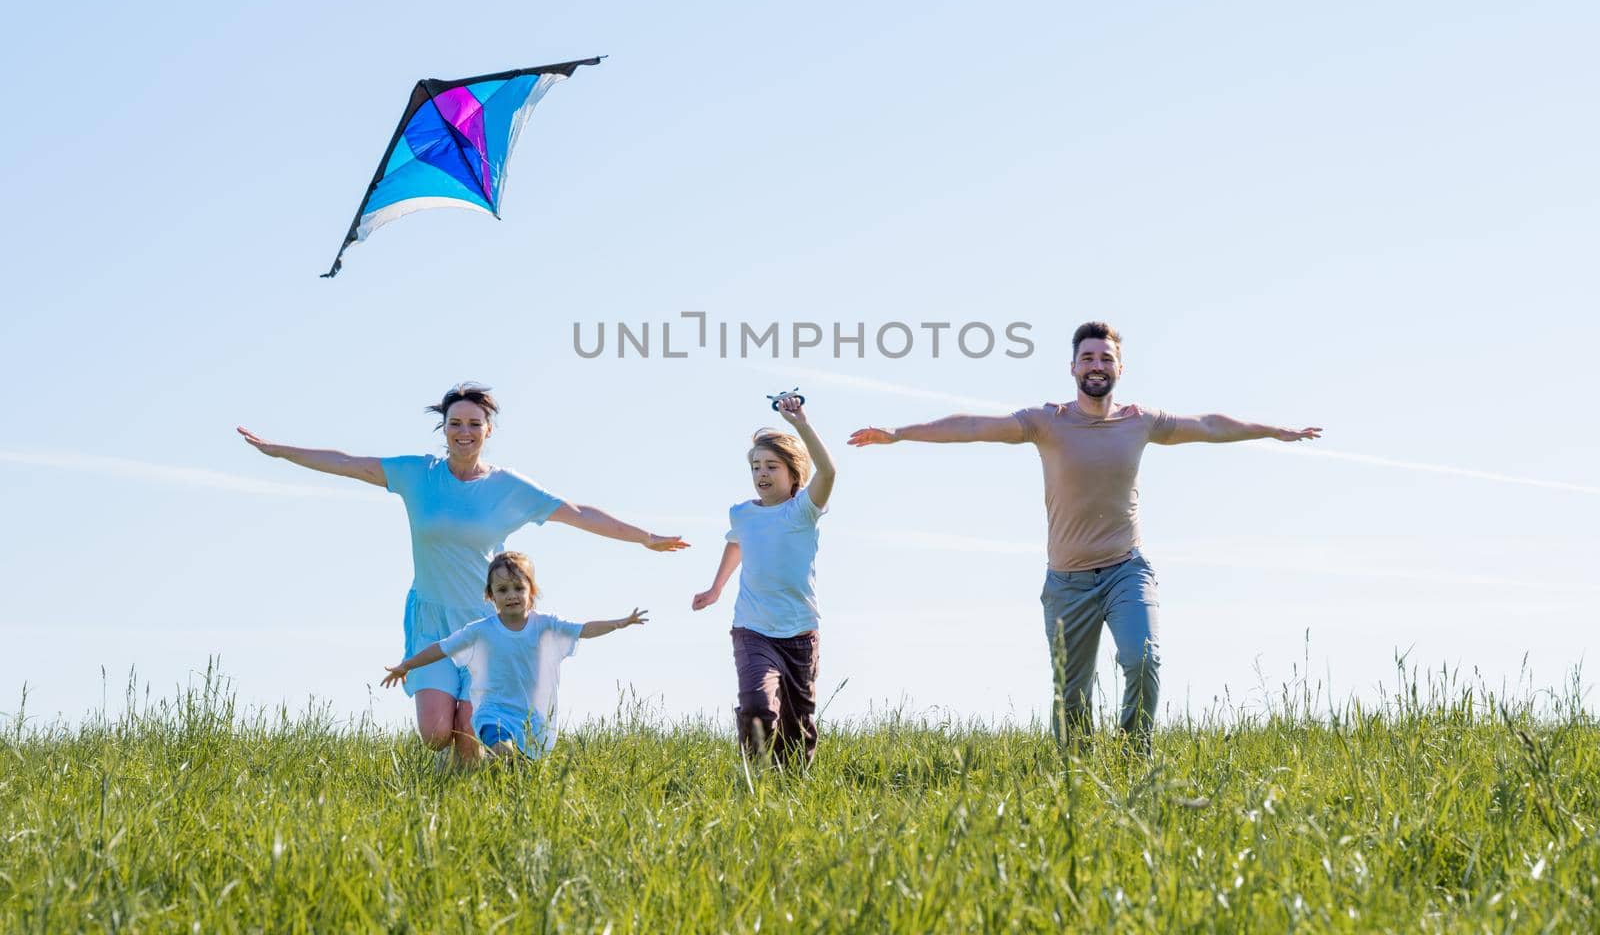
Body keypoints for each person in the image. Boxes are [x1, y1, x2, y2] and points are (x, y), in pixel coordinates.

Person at [848, 321, 1320, 752]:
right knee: (1071, 701)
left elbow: (1210, 425)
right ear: (1073, 367)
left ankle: (1135, 754)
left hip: (1125, 571)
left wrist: (1273, 430)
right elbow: (972, 426)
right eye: (1089, 358)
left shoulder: (1141, 420)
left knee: (1143, 658)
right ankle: (1081, 773)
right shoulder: (1046, 421)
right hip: (1067, 583)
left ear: (1120, 367)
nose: (1097, 366)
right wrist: (899, 432)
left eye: (1106, 358)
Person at [238, 381, 686, 760]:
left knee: (472, 735)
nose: (464, 432)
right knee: (436, 734)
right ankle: (444, 767)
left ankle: (461, 800)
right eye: (455, 423)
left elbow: (578, 513)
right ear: (444, 429)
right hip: (430, 620)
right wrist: (278, 452)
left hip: (484, 626)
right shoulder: (419, 475)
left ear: (488, 430)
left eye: (474, 424)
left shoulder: (507, 488)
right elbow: (347, 463)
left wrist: (644, 536)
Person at [381, 550, 645, 761]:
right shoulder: (481, 631)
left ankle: (490, 778)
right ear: (490, 596)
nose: (511, 596)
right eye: (502, 590)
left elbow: (583, 630)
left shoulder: (545, 625)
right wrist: (407, 665)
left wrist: (619, 623)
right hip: (492, 711)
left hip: (529, 716)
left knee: (518, 766)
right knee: (502, 749)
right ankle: (494, 760)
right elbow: (442, 647)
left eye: (518, 588)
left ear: (532, 591)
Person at [692, 395, 836, 768]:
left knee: (796, 725)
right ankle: (753, 775)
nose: (762, 474)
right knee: (757, 705)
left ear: (793, 473)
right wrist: (716, 588)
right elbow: (737, 544)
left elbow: (829, 473)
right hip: (752, 629)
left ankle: (790, 786)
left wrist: (801, 424)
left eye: (772, 466)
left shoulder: (803, 510)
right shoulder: (742, 514)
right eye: (756, 466)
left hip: (800, 634)